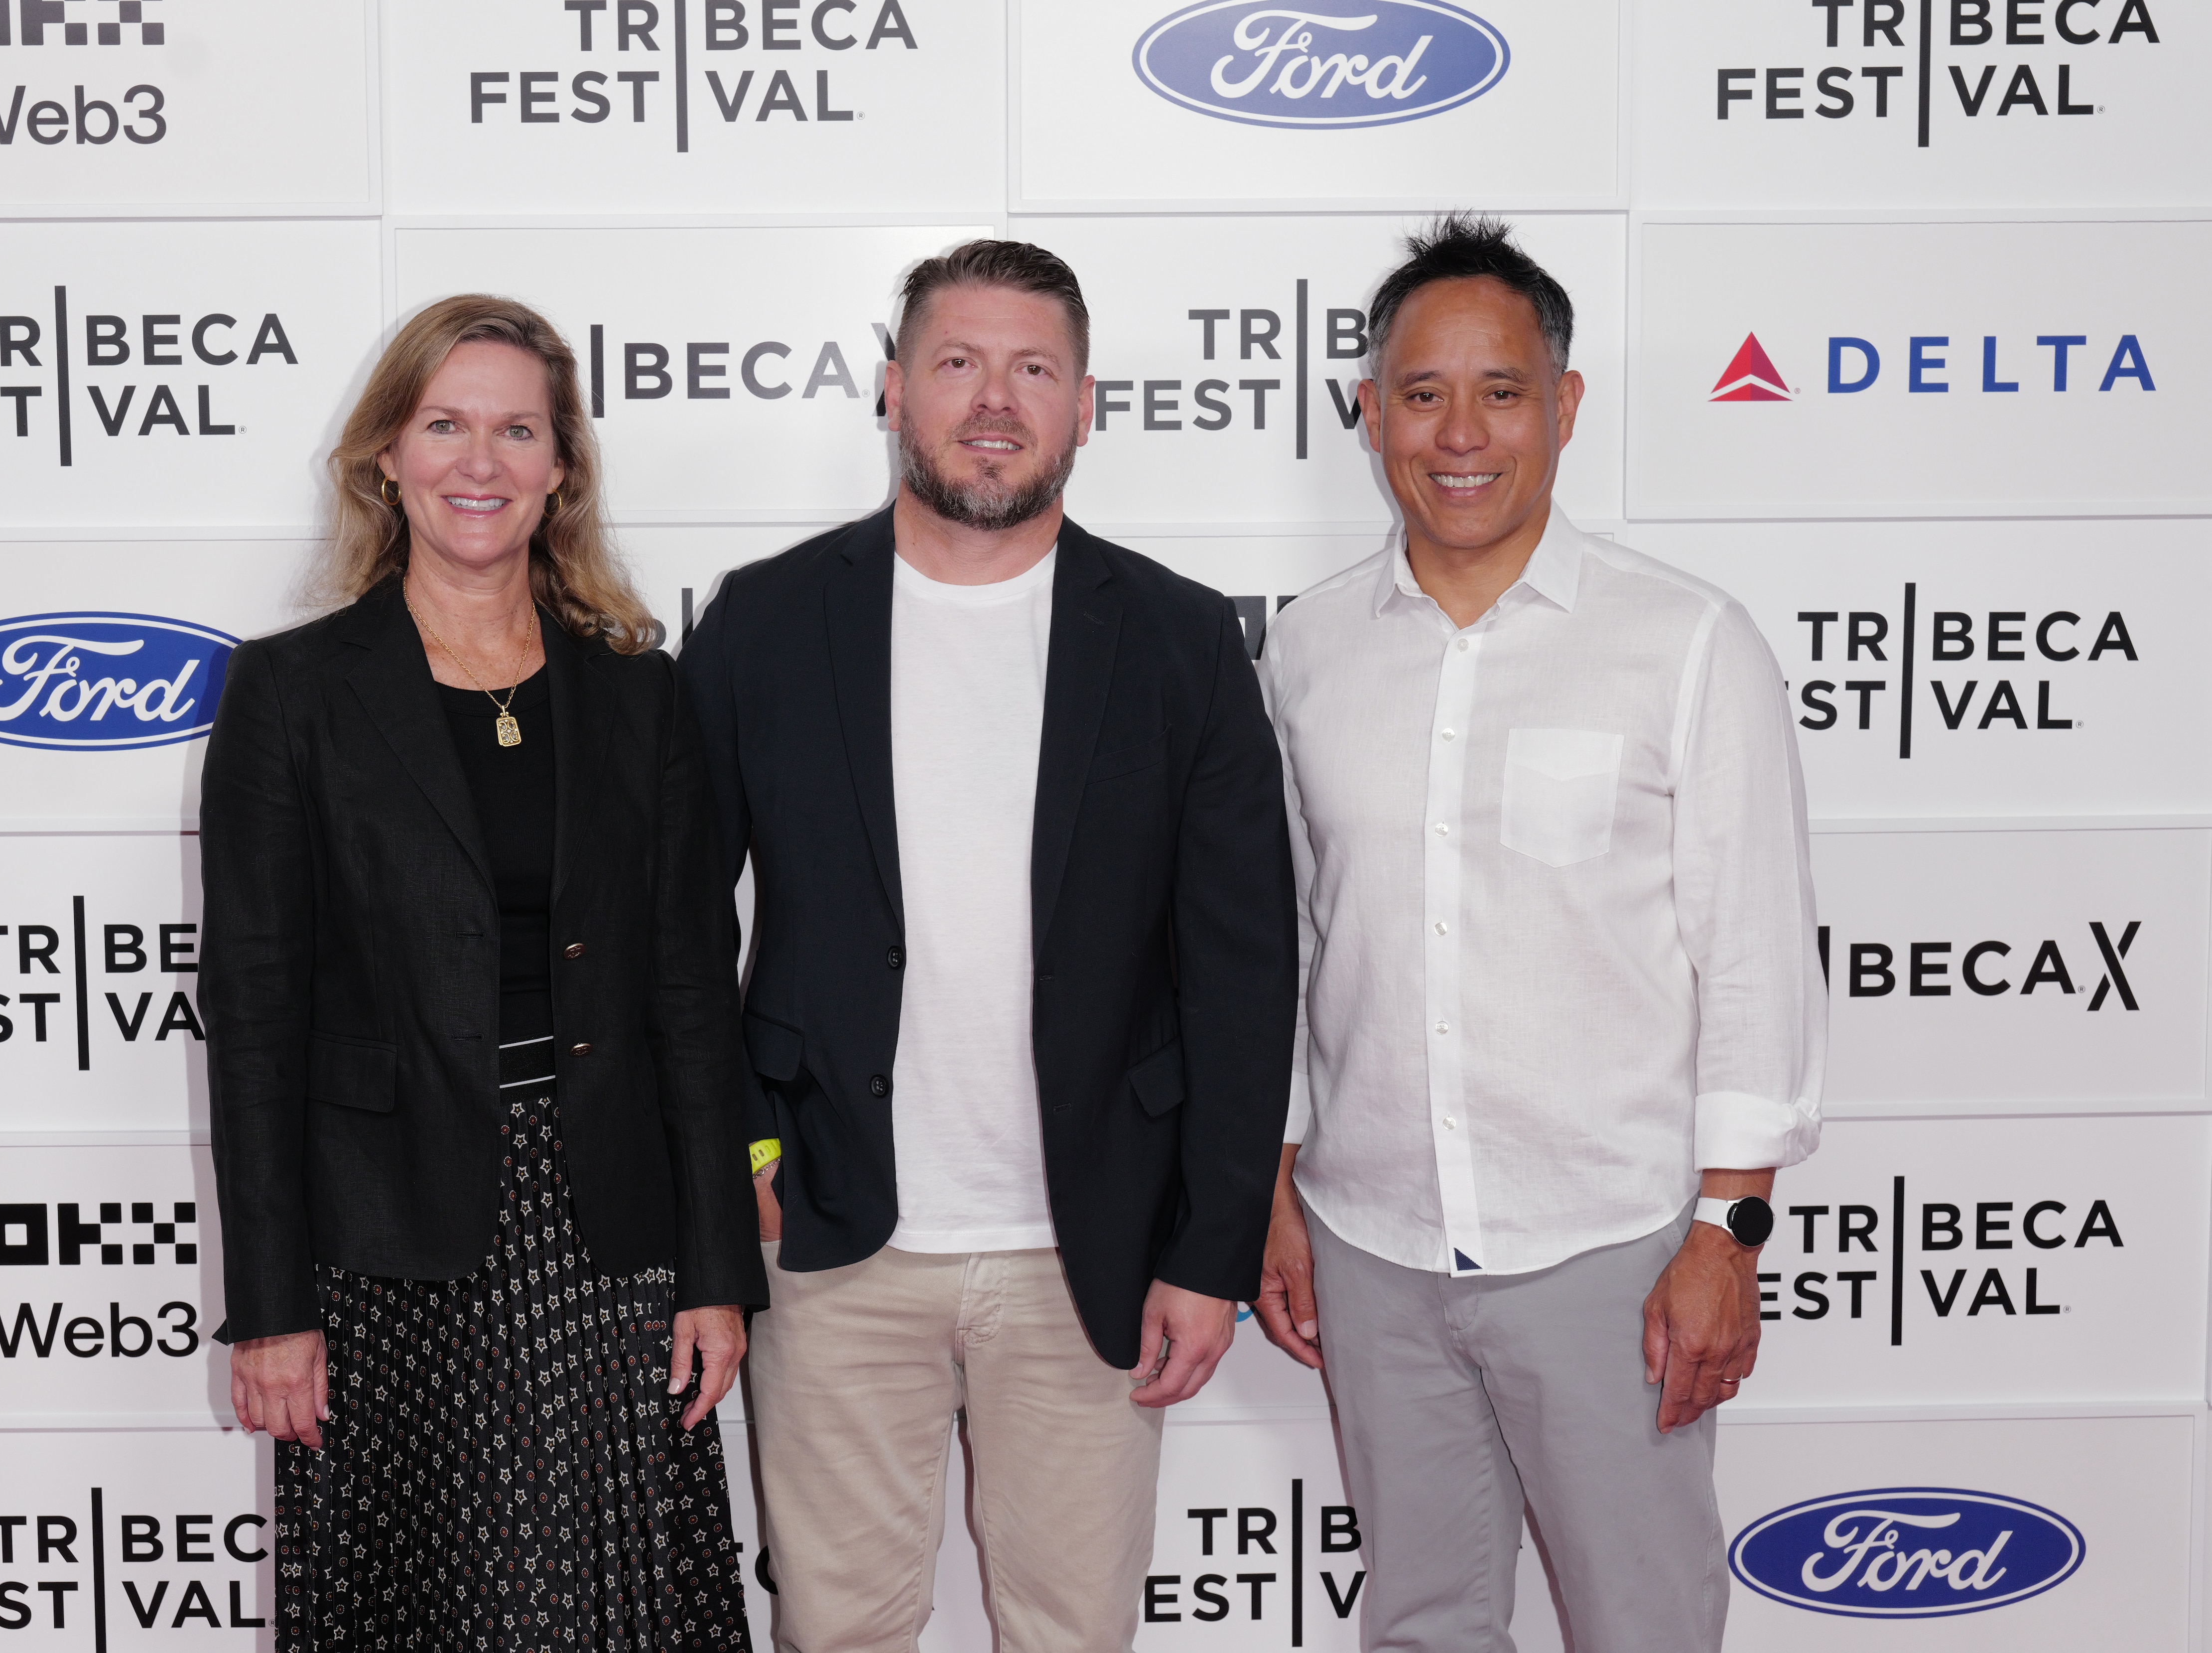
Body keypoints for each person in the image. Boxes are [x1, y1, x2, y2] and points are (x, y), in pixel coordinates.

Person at [678, 240, 1296, 1652]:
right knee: (837, 1634)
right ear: (894, 390)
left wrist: (1208, 1251)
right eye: (958, 363)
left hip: (1088, 1246)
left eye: (1035, 369)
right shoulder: (764, 623)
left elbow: (1245, 972)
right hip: (834, 1239)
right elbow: (676, 935)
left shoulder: (1182, 643)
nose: (994, 400)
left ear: (1089, 405)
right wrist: (745, 1165)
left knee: (1073, 1634)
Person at [1256, 215, 1827, 1653]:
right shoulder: (1309, 650)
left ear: (1562, 408)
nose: (1462, 433)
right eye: (1425, 393)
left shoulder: (1687, 641)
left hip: (1612, 1252)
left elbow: (1754, 956)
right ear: (1372, 410)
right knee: (1425, 1624)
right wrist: (1277, 1176)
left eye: (1502, 392)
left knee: (1644, 1623)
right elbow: (1297, 942)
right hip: (1372, 1241)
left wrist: (1726, 1232)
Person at [200, 294, 764, 1652]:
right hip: (386, 1243)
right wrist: (271, 1311)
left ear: (562, 466)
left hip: (607, 1231)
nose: (481, 462)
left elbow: (692, 993)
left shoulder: (639, 696)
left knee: (611, 1605)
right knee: (432, 1608)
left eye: (518, 430)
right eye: (445, 424)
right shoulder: (295, 697)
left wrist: (714, 1269)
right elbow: (257, 1021)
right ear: (386, 454)